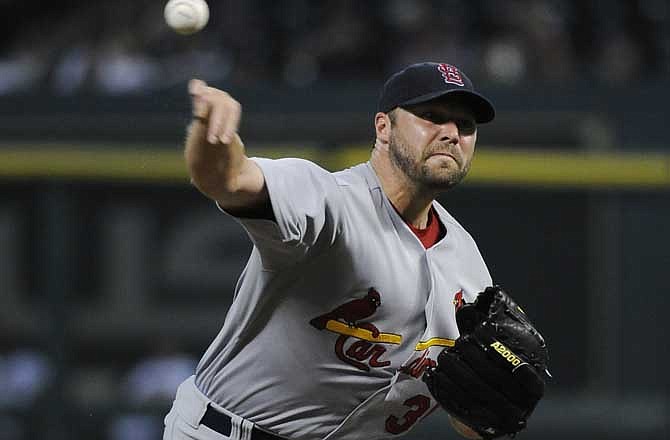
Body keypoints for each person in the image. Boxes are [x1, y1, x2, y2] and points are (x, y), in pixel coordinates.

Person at [164, 62, 496, 440]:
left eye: (465, 125)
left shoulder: (467, 265)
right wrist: (213, 138)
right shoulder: (328, 201)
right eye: (431, 116)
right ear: (384, 128)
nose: (451, 133)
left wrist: (488, 417)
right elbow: (229, 179)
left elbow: (469, 420)